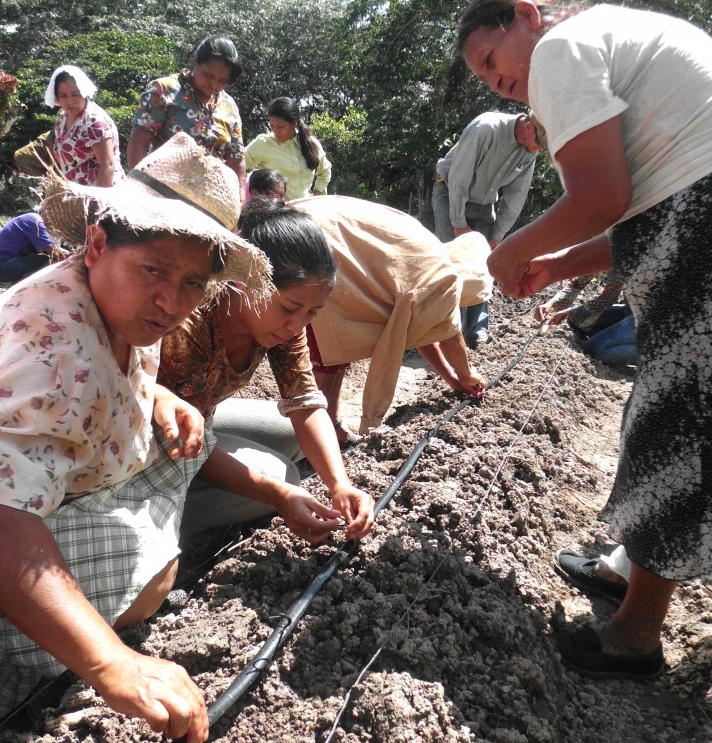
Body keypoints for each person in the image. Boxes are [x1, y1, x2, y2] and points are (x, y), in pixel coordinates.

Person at [458, 0, 712, 678]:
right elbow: (639, 211)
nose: (502, 86)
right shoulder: (617, 34)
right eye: (488, 81)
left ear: (526, 16)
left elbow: (603, 196)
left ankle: (634, 635)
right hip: (704, 216)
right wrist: (555, 263)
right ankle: (629, 567)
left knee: (675, 419)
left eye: (493, 61)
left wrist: (512, 251)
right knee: (693, 411)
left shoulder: (561, 48)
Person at [0, 133, 273, 743]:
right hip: (22, 530)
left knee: (233, 466)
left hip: (90, 478)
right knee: (157, 574)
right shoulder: (54, 350)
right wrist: (110, 663)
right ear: (97, 244)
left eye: (193, 285)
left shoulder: (121, 309)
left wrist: (159, 396)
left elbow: (124, 375)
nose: (171, 302)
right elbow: (5, 516)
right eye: (153, 270)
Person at [158, 202, 374, 555]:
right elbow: (183, 442)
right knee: (284, 476)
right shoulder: (193, 324)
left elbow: (305, 400)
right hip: (155, 440)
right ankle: (169, 526)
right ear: (246, 282)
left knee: (293, 435)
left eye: (311, 313)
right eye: (289, 309)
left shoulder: (286, 323)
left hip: (203, 418)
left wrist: (340, 484)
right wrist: (278, 494)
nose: (297, 325)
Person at [285, 194, 491, 436]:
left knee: (340, 347)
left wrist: (452, 378)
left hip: (310, 226)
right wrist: (466, 374)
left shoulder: (431, 254)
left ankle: (329, 425)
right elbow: (451, 336)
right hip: (316, 239)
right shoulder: (444, 276)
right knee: (330, 345)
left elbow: (420, 334)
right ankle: (313, 435)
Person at [433, 111, 542, 345]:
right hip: (450, 193)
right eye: (540, 143)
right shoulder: (486, 129)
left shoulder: (530, 150)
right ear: (529, 127)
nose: (540, 149)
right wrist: (458, 223)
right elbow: (459, 178)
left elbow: (516, 196)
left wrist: (497, 236)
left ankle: (476, 328)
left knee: (484, 266)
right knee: (455, 263)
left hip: (484, 203)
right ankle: (451, 331)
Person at [128, 36, 247, 202]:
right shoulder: (164, 90)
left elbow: (236, 159)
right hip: (162, 193)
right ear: (196, 61)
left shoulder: (229, 106)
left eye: (222, 81)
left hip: (212, 201)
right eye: (208, 75)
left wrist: (239, 203)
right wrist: (142, 190)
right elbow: (139, 142)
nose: (213, 84)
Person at [44, 64, 123, 187]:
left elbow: (108, 165)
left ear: (84, 92)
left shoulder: (94, 122)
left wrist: (97, 203)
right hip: (76, 196)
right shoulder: (61, 120)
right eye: (63, 95)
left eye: (75, 94)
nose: (70, 101)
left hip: (101, 196)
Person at [534, 272, 638, 366]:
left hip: (646, 319)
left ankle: (650, 354)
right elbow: (575, 286)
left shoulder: (617, 260)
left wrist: (567, 312)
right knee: (576, 320)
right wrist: (551, 303)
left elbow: (607, 300)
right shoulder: (595, 256)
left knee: (594, 349)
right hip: (631, 310)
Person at [244, 97, 331, 200]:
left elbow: (325, 171)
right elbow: (238, 165)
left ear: (295, 123)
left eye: (280, 127)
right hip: (276, 212)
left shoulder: (311, 144)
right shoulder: (263, 143)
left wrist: (316, 193)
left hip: (305, 209)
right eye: (272, 125)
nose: (276, 130)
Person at [0, 211, 62, 283]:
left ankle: (23, 286)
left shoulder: (32, 219)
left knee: (44, 260)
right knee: (48, 261)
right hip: (2, 266)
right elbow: (53, 253)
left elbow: (52, 248)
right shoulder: (36, 221)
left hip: (6, 263)